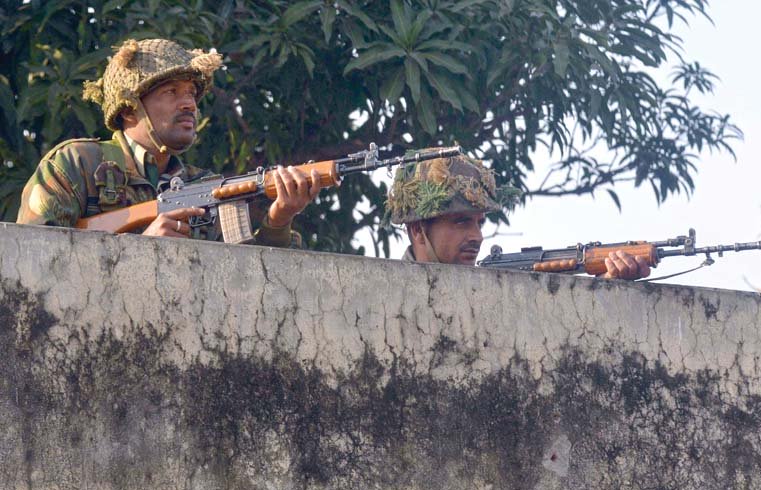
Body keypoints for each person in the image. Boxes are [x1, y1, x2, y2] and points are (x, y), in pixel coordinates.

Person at [17, 38, 319, 246]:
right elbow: (36, 256)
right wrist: (139, 250)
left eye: (191, 93)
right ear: (129, 108)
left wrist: (279, 219)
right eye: (171, 92)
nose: (189, 103)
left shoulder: (204, 184)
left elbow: (248, 282)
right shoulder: (77, 164)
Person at [385, 152, 651, 280]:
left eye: (479, 223)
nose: (476, 236)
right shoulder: (389, 290)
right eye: (461, 221)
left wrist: (607, 286)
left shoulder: (494, 287)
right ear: (418, 230)